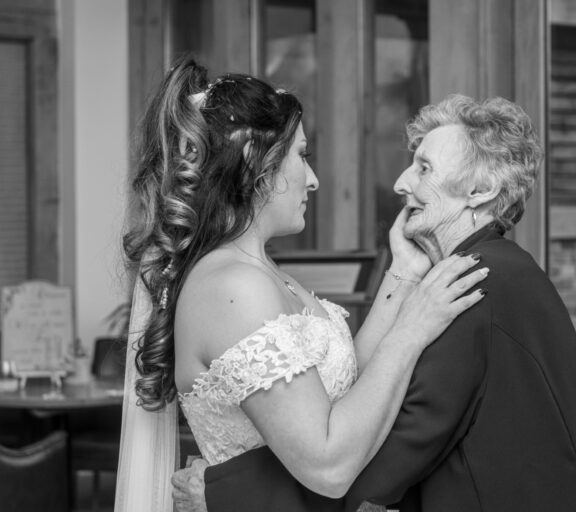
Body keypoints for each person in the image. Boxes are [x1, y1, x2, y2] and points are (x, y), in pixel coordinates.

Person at [171, 94, 576, 512]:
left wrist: (223, 490)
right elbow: (362, 411)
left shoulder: (471, 283)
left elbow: (390, 446)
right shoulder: (497, 270)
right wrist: (404, 274)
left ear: (479, 190)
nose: (402, 183)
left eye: (423, 168)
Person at [113, 56, 489, 512]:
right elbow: (328, 467)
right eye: (302, 156)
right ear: (257, 162)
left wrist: (404, 273)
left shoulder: (265, 274)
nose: (312, 181)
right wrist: (412, 329)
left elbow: (348, 388)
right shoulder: (232, 286)